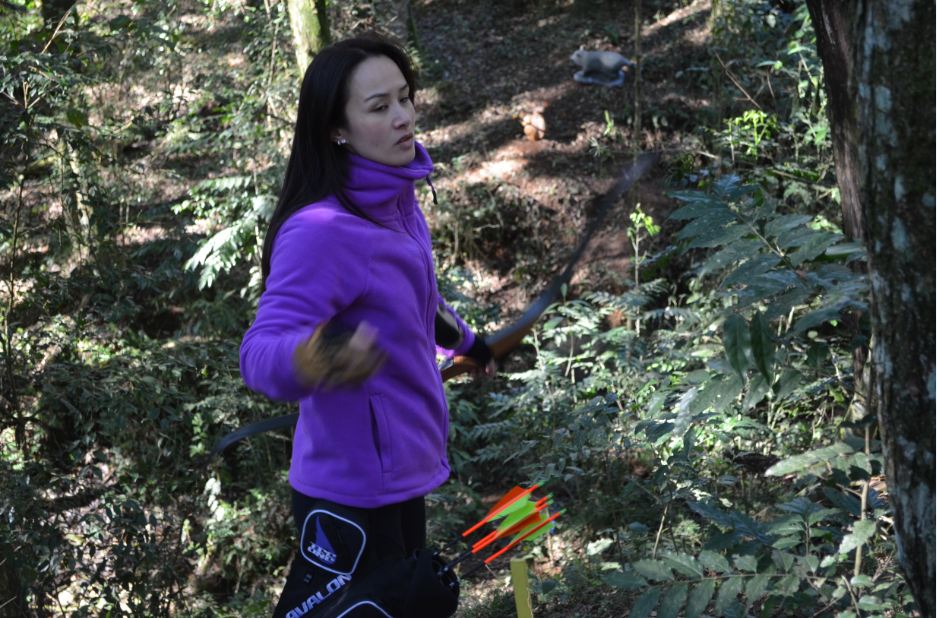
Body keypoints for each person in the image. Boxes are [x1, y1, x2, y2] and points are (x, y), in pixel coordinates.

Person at [239, 35, 494, 618]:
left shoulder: (396, 201)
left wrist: (471, 344)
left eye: (405, 98)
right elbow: (259, 353)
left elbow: (419, 304)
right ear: (337, 129)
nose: (403, 117)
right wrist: (319, 354)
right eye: (379, 107)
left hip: (400, 477)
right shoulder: (323, 230)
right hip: (349, 496)